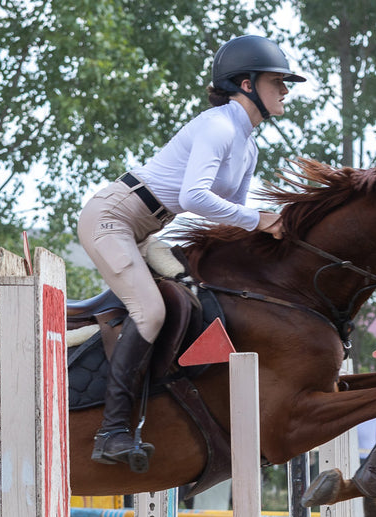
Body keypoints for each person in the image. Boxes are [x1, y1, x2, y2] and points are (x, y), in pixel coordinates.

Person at [77, 35, 305, 472]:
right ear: (246, 84)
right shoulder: (219, 127)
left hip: (147, 229)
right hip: (112, 219)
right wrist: (259, 220)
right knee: (150, 312)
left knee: (196, 296)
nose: (285, 90)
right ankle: (111, 431)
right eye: (277, 81)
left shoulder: (248, 146)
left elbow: (229, 219)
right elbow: (195, 197)